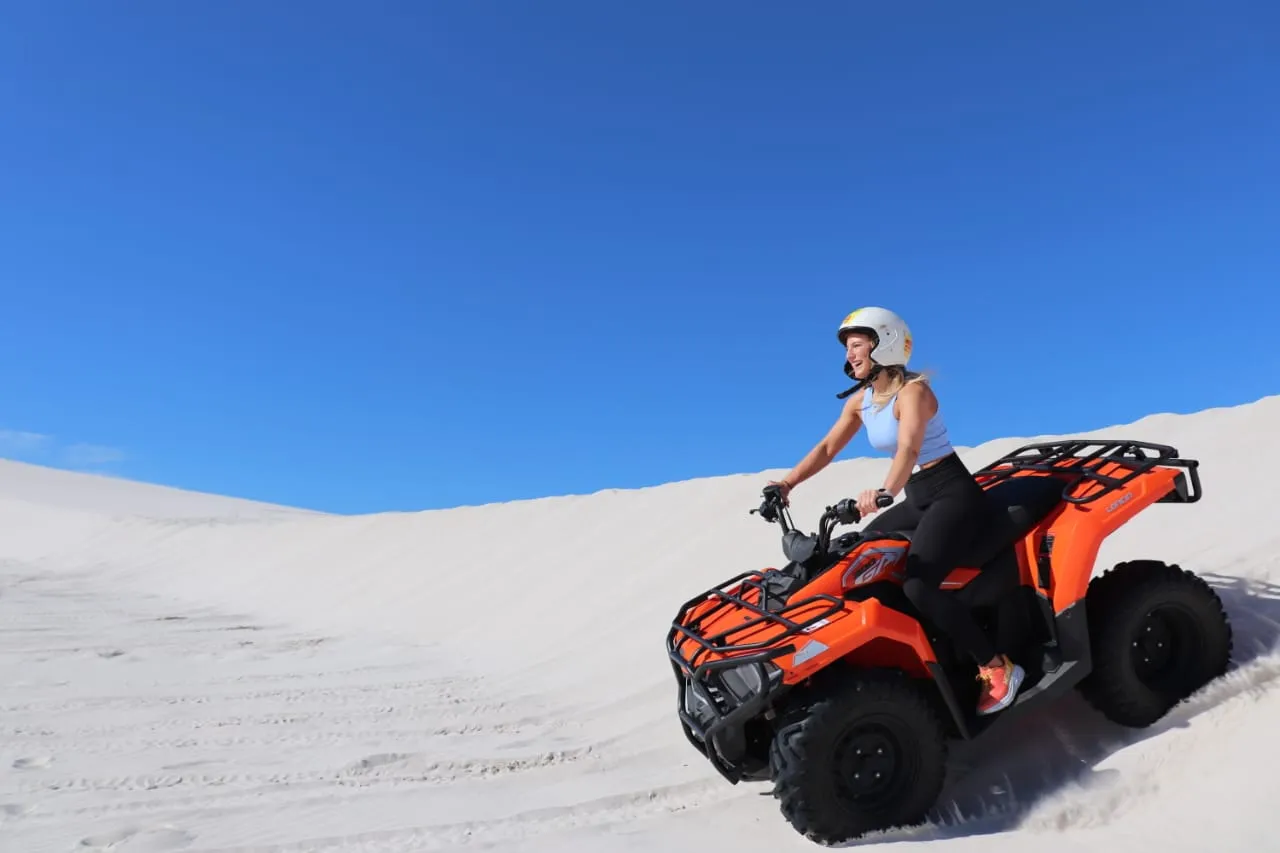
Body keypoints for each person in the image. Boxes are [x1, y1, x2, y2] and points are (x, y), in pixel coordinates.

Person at [768, 306, 1025, 716]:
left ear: (883, 343)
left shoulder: (915, 392)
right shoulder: (861, 402)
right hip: (919, 495)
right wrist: (786, 484)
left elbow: (908, 449)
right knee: (858, 553)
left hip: (952, 493)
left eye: (857, 345)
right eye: (849, 348)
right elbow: (827, 448)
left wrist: (885, 492)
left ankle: (995, 666)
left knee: (919, 585)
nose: (850, 355)